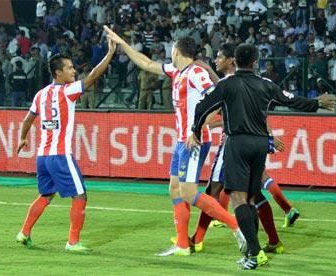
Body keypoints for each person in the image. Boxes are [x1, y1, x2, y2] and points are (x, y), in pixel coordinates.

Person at [188, 44, 336, 269]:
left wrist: (196, 130)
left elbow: (202, 107)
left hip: (237, 142)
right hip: (260, 144)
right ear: (255, 62)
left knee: (238, 199)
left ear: (234, 61)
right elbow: (291, 100)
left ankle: (255, 253)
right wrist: (317, 103)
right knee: (251, 198)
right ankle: (253, 251)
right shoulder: (266, 85)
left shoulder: (226, 84)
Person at [103, 26, 245, 257]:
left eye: (172, 48)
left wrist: (197, 128)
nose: (170, 51)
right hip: (182, 141)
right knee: (174, 189)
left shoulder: (196, 73)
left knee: (188, 192)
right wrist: (122, 43)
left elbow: (220, 100)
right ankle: (181, 244)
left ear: (178, 50)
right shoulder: (176, 71)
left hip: (195, 141)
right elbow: (146, 63)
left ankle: (236, 226)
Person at [15, 37, 116, 252]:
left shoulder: (40, 94)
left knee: (46, 195)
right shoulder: (67, 91)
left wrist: (22, 138)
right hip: (60, 155)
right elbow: (93, 76)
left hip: (42, 156)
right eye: (69, 68)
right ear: (58, 73)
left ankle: (24, 232)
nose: (73, 71)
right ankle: (72, 242)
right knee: (80, 195)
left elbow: (27, 119)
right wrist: (109, 55)